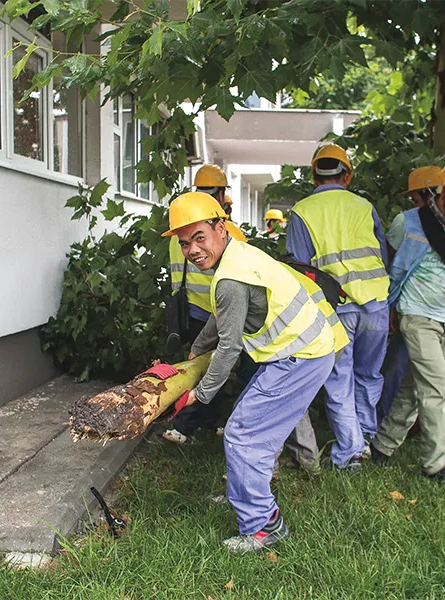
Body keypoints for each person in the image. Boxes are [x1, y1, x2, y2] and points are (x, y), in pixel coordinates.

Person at [164, 192, 339, 554]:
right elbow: (221, 316)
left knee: (243, 434)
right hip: (299, 349)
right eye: (184, 243)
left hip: (301, 354)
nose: (192, 249)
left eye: (199, 237)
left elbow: (229, 347)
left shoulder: (229, 277)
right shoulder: (236, 257)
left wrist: (201, 393)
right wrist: (196, 349)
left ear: (220, 228)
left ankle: (263, 526)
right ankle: (244, 495)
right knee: (248, 429)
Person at [370, 158, 445, 485]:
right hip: (416, 315)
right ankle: (437, 464)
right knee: (439, 386)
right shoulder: (407, 222)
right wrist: (392, 308)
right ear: (444, 193)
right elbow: (389, 267)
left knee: (414, 389)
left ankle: (381, 447)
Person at [287, 143, 390, 469]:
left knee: (339, 382)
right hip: (376, 304)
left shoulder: (302, 211)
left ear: (314, 175)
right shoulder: (364, 205)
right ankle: (367, 439)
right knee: (369, 375)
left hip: (336, 310)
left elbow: (299, 270)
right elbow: (383, 256)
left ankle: (351, 453)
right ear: (347, 174)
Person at [163, 165, 243, 444]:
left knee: (198, 369)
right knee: (216, 370)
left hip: (189, 313)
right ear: (220, 193)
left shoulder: (178, 231)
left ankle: (209, 422)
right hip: (217, 313)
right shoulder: (225, 231)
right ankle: (183, 426)